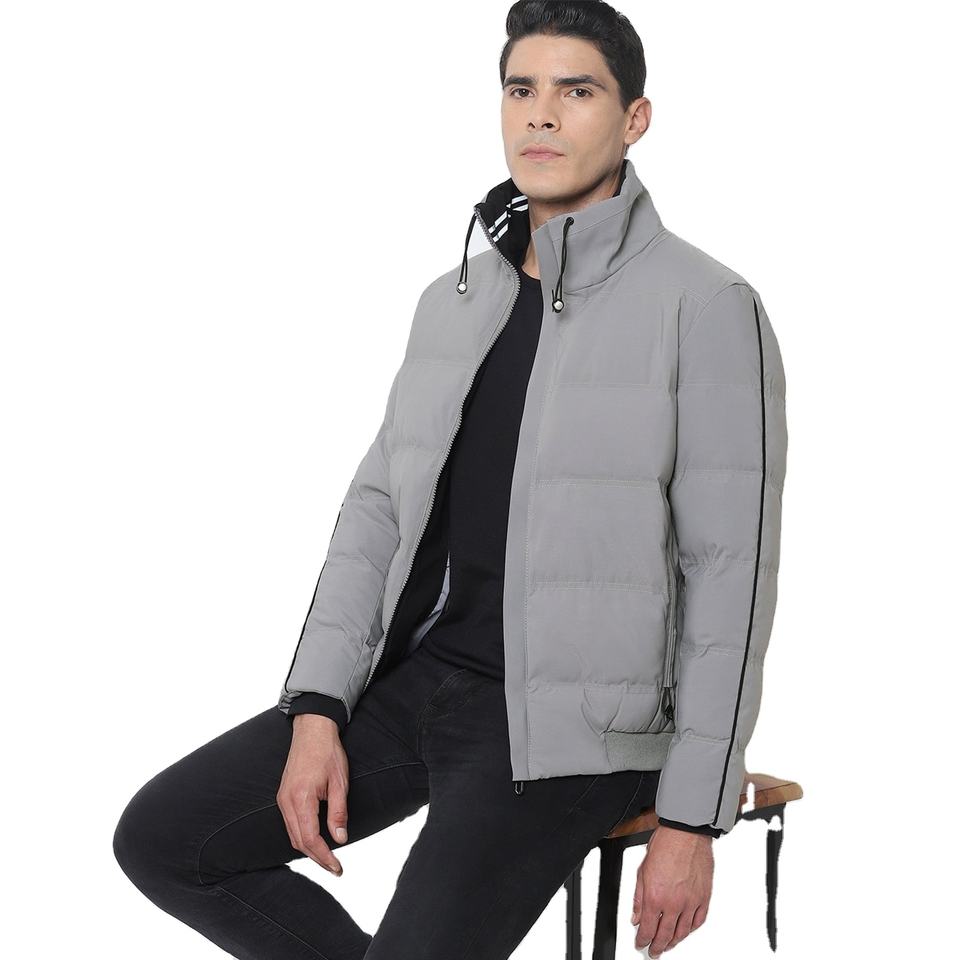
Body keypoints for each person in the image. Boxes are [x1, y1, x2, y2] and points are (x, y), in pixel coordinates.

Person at [112, 2, 788, 957]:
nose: (541, 114)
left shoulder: (708, 306)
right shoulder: (454, 300)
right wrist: (318, 710)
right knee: (168, 841)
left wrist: (693, 816)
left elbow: (731, 579)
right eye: (522, 90)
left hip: (582, 732)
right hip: (424, 682)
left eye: (577, 91)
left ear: (634, 119)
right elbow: (376, 517)